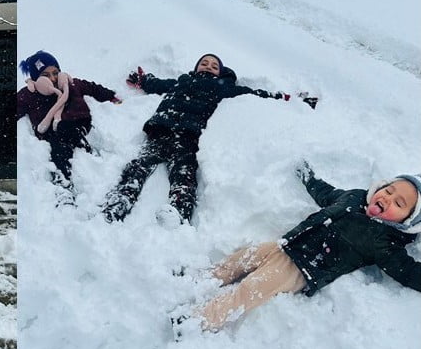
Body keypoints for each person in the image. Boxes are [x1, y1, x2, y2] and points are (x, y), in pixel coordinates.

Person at [185, 164, 421, 333]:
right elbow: (326, 193)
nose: (387, 198)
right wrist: (309, 178)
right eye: (388, 190)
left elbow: (408, 272)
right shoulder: (354, 197)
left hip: (301, 269)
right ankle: (200, 280)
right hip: (286, 245)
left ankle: (199, 321)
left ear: (407, 222)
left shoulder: (385, 242)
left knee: (249, 290)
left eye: (399, 203)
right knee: (241, 258)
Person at [102, 54, 291, 224]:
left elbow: (255, 94)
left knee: (184, 176)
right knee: (138, 167)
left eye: (214, 66)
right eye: (204, 63)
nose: (208, 66)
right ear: (196, 67)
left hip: (188, 137)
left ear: (220, 73)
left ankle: (178, 212)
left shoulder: (224, 87)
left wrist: (285, 97)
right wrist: (145, 80)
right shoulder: (182, 81)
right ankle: (119, 201)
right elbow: (160, 85)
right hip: (160, 130)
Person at [15, 51, 121, 196]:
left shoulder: (70, 84)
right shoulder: (30, 94)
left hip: (78, 123)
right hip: (52, 132)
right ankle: (63, 183)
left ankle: (92, 161)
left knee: (70, 130)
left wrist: (111, 96)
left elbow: (92, 88)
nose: (53, 78)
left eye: (55, 73)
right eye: (46, 75)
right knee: (57, 149)